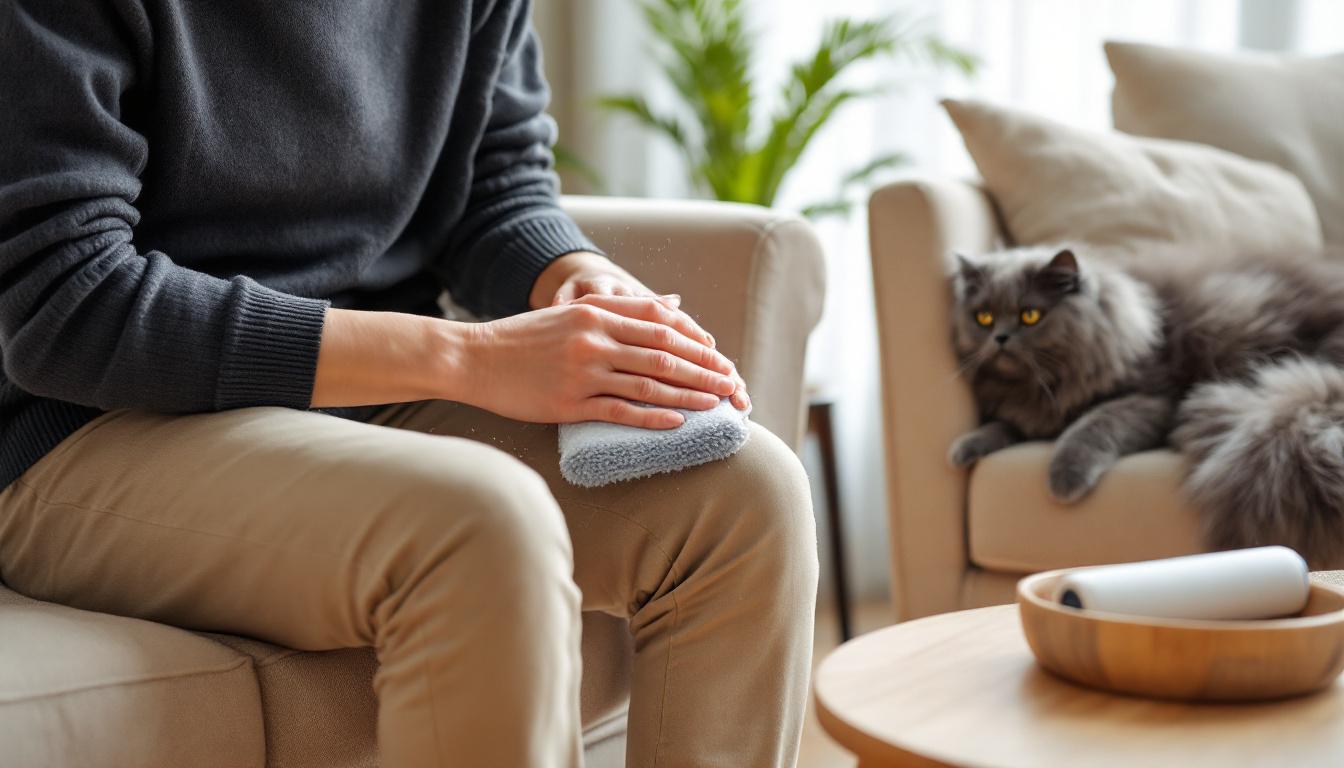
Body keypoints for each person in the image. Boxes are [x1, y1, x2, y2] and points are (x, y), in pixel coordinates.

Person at [0, 1, 818, 766]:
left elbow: (493, 180)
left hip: (375, 394)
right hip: (99, 425)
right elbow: (63, 301)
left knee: (746, 496)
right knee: (484, 521)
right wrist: (471, 359)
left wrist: (579, 279)